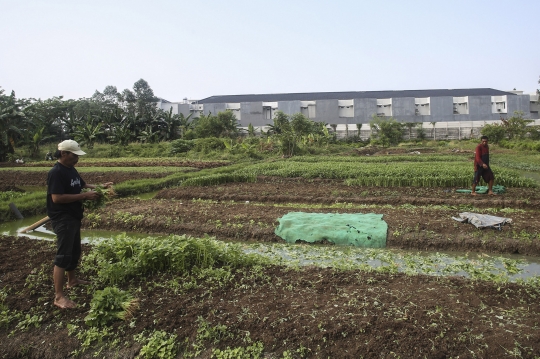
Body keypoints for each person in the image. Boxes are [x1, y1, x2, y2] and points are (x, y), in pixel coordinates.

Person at [47, 140, 113, 309]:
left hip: (74, 216)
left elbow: (82, 185)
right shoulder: (56, 172)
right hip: (63, 218)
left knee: (74, 250)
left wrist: (99, 187)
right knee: (63, 256)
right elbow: (57, 198)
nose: (77, 159)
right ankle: (59, 296)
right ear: (64, 154)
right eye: (74, 155)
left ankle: (72, 280)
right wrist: (84, 196)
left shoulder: (71, 169)